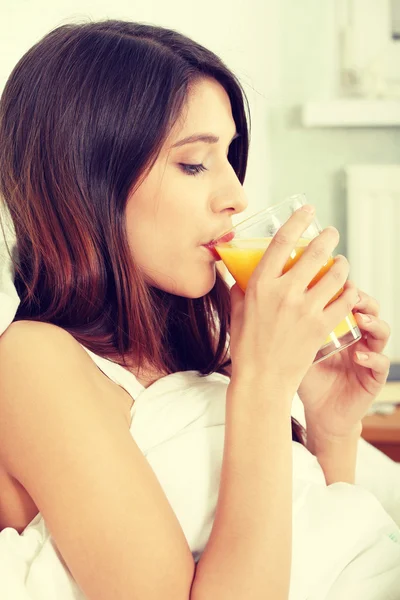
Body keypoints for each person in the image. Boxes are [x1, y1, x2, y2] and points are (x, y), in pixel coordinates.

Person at [0, 19, 399, 600]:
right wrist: (262, 387)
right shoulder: (31, 362)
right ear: (88, 180)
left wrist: (331, 428)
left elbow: (321, 549)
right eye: (194, 164)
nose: (236, 194)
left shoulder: (193, 346)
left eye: (231, 157)